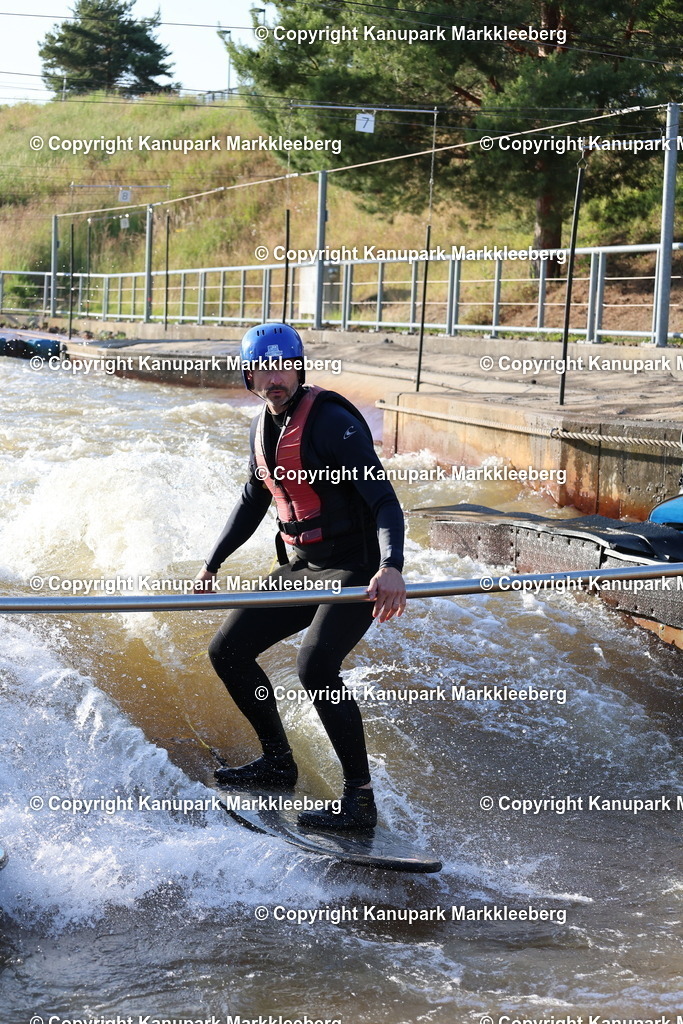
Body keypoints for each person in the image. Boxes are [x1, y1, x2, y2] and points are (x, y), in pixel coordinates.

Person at [195, 322, 406, 832]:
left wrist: (391, 567)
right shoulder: (262, 428)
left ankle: (359, 799)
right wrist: (213, 563)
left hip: (354, 566)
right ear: (249, 377)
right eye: (262, 369)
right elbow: (254, 499)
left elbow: (383, 499)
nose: (274, 378)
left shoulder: (332, 422)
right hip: (303, 566)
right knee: (227, 651)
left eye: (282, 365)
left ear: (299, 367)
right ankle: (278, 762)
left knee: (316, 668)